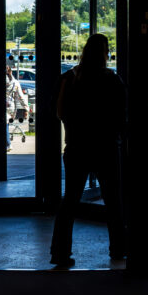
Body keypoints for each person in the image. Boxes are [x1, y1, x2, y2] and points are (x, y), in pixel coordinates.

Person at [50, 33, 126, 267]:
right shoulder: (112, 79)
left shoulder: (69, 78)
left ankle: (60, 253)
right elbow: (121, 116)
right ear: (105, 53)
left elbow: (60, 113)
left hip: (76, 146)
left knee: (69, 202)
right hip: (105, 146)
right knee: (113, 201)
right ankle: (118, 249)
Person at [6, 65, 29, 151]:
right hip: (11, 106)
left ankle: (7, 143)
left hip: (0, 105)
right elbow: (21, 97)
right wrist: (26, 108)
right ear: (11, 72)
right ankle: (7, 143)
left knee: (3, 125)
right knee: (6, 123)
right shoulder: (15, 83)